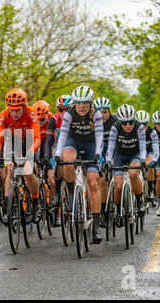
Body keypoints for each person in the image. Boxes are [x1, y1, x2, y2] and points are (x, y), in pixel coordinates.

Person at [54, 85, 104, 244]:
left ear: (90, 103)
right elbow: (62, 136)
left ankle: (96, 227)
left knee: (93, 183)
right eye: (78, 103)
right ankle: (70, 193)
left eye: (85, 103)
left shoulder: (96, 114)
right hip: (73, 142)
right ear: (74, 103)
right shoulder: (69, 114)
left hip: (91, 145)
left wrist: (98, 154)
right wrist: (57, 154)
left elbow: (100, 136)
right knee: (67, 160)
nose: (81, 106)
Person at [0, 88, 42, 224]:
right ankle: (8, 208)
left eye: (17, 110)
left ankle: (36, 202)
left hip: (30, 142)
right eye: (12, 109)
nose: (14, 113)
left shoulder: (31, 113)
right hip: (13, 141)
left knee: (27, 171)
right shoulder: (4, 114)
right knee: (10, 170)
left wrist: (30, 153)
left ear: (24, 106)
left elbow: (37, 137)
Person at [105, 105, 147, 224]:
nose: (127, 126)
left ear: (134, 120)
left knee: (133, 174)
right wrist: (108, 160)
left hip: (135, 154)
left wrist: (143, 160)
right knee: (118, 186)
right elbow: (110, 148)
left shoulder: (139, 127)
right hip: (120, 155)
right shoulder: (115, 127)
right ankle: (118, 211)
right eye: (124, 123)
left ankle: (139, 202)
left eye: (130, 122)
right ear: (120, 122)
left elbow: (143, 147)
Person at [44, 94, 74, 227]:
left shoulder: (77, 119)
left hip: (74, 145)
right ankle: (57, 196)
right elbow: (49, 141)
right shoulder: (54, 120)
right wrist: (47, 156)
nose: (63, 112)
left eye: (67, 109)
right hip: (58, 145)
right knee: (56, 165)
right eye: (60, 109)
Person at [93, 97, 118, 227]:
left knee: (116, 175)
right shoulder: (93, 121)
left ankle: (119, 203)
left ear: (109, 111)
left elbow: (119, 143)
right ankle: (103, 211)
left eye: (105, 112)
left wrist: (113, 159)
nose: (102, 115)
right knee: (102, 180)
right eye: (99, 112)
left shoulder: (115, 122)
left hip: (114, 150)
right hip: (100, 150)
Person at [136, 110, 159, 203]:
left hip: (149, 152)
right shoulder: (133, 131)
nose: (142, 127)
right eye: (140, 124)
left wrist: (155, 159)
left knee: (149, 165)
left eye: (144, 124)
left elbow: (156, 148)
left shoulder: (152, 132)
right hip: (138, 153)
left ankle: (151, 189)